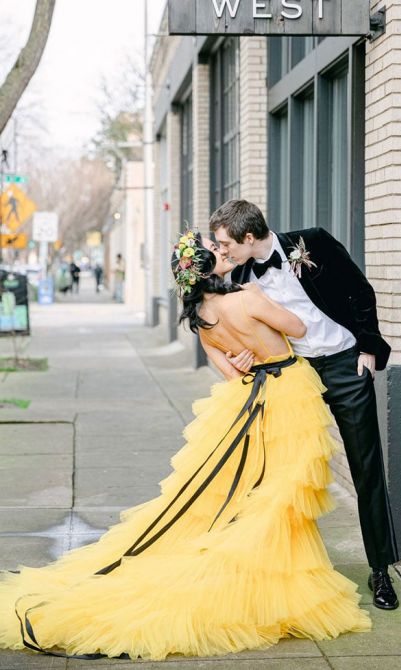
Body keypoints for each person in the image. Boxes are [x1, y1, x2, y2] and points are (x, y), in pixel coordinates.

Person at [0, 232, 371, 662]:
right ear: (208, 269)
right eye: (215, 252)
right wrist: (266, 313)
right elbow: (300, 328)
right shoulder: (248, 296)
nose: (223, 251)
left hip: (248, 400)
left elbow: (233, 377)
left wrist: (246, 353)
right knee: (283, 493)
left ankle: (271, 568)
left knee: (253, 491)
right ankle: (273, 579)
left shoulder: (203, 321)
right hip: (290, 395)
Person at [210, 199, 400, 610]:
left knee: (365, 466)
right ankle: (289, 570)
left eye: (226, 244)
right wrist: (244, 357)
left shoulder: (311, 242)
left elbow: (359, 289)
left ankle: (381, 571)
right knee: (286, 471)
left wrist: (366, 346)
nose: (222, 251)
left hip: (346, 365)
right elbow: (224, 322)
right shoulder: (238, 274)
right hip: (295, 375)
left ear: (247, 236)